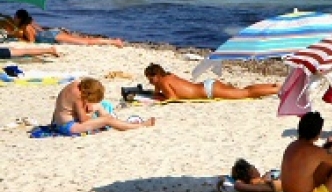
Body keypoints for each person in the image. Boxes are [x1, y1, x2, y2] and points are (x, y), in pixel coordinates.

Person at [52, 78, 155, 135]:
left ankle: (117, 123)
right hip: (67, 126)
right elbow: (83, 119)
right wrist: (90, 113)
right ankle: (140, 125)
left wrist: (91, 107)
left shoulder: (76, 84)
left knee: (99, 106)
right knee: (107, 119)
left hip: (58, 121)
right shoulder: (78, 97)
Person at [144, 63, 280, 100]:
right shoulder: (169, 76)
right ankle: (273, 86)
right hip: (208, 85)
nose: (149, 82)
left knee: (246, 93)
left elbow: (171, 97)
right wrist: (156, 89)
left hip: (209, 91)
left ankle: (277, 89)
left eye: (150, 78)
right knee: (244, 89)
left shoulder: (162, 82)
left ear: (156, 75)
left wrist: (157, 97)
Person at [11, 9, 124, 47]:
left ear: (19, 18)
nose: (14, 19)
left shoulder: (25, 27)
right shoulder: (30, 22)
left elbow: (32, 41)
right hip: (53, 33)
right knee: (83, 39)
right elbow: (40, 30)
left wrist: (21, 39)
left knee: (86, 42)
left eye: (15, 17)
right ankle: (113, 41)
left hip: (52, 36)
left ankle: (114, 42)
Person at [218, 158, 282, 192]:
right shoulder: (260, 184)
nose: (254, 167)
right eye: (250, 166)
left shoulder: (264, 178)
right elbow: (239, 186)